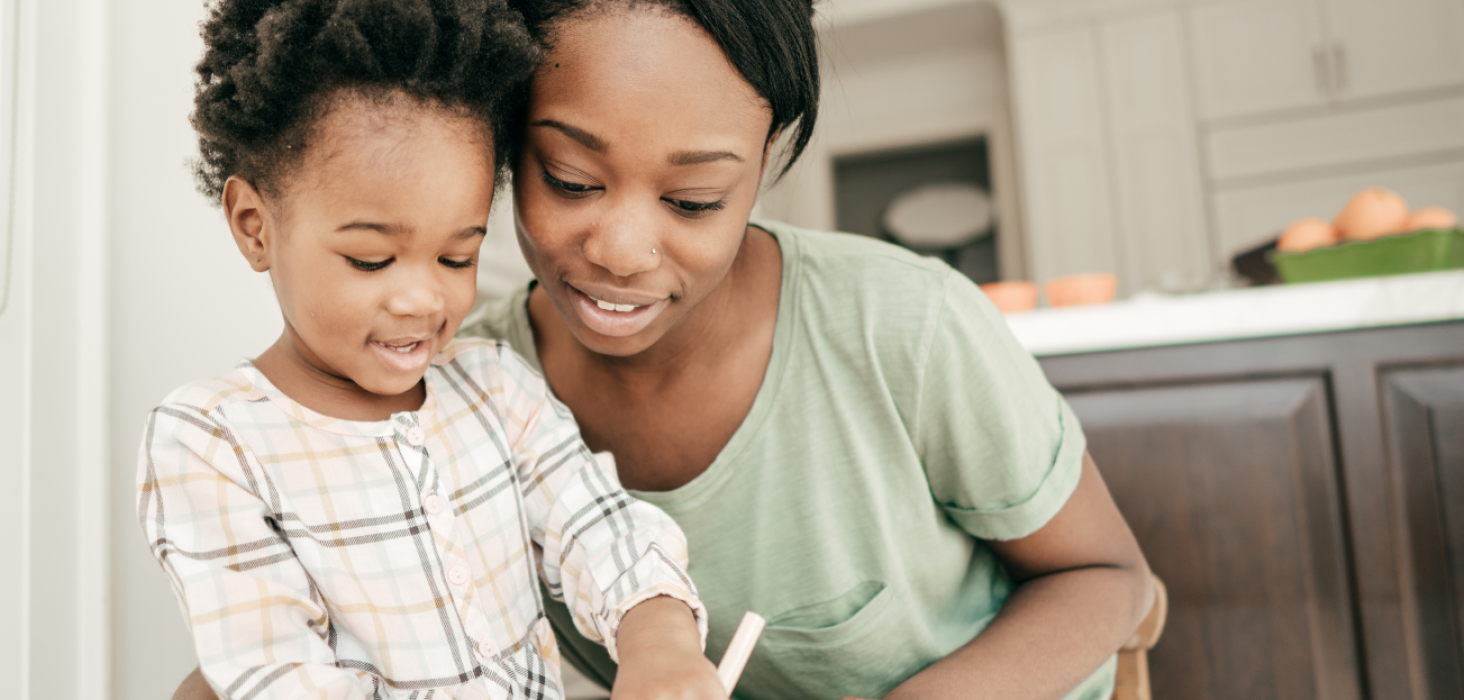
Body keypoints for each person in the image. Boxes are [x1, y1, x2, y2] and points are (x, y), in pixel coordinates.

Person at [175, 0, 1155, 698]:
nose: (622, 249)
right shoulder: (453, 389)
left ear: (765, 165)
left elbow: (1108, 581)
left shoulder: (908, 329)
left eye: (692, 200)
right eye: (570, 178)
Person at [137, 2, 726, 699]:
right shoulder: (214, 442)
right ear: (254, 226)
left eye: (456, 258)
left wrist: (659, 642)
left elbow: (599, 526)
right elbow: (279, 674)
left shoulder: (496, 388)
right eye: (371, 259)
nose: (422, 300)